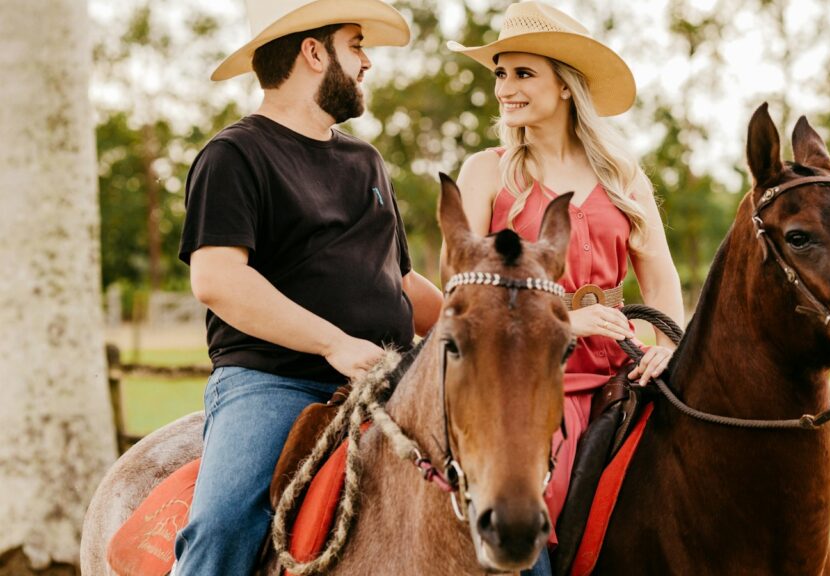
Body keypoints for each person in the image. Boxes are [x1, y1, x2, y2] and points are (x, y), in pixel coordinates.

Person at [174, 1, 443, 573]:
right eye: (356, 44)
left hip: (393, 376)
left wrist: (479, 322)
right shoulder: (234, 154)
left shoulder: (365, 160)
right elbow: (218, 279)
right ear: (314, 52)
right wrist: (333, 344)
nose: (367, 61)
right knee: (220, 527)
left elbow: (402, 281)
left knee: (497, 499)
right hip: (277, 382)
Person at [447, 1, 685, 572]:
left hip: (624, 366)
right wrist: (565, 324)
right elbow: (461, 293)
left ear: (565, 85)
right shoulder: (487, 172)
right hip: (528, 373)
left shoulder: (622, 175)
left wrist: (668, 347)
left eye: (523, 73)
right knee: (528, 502)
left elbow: (660, 277)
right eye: (501, 73)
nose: (505, 87)